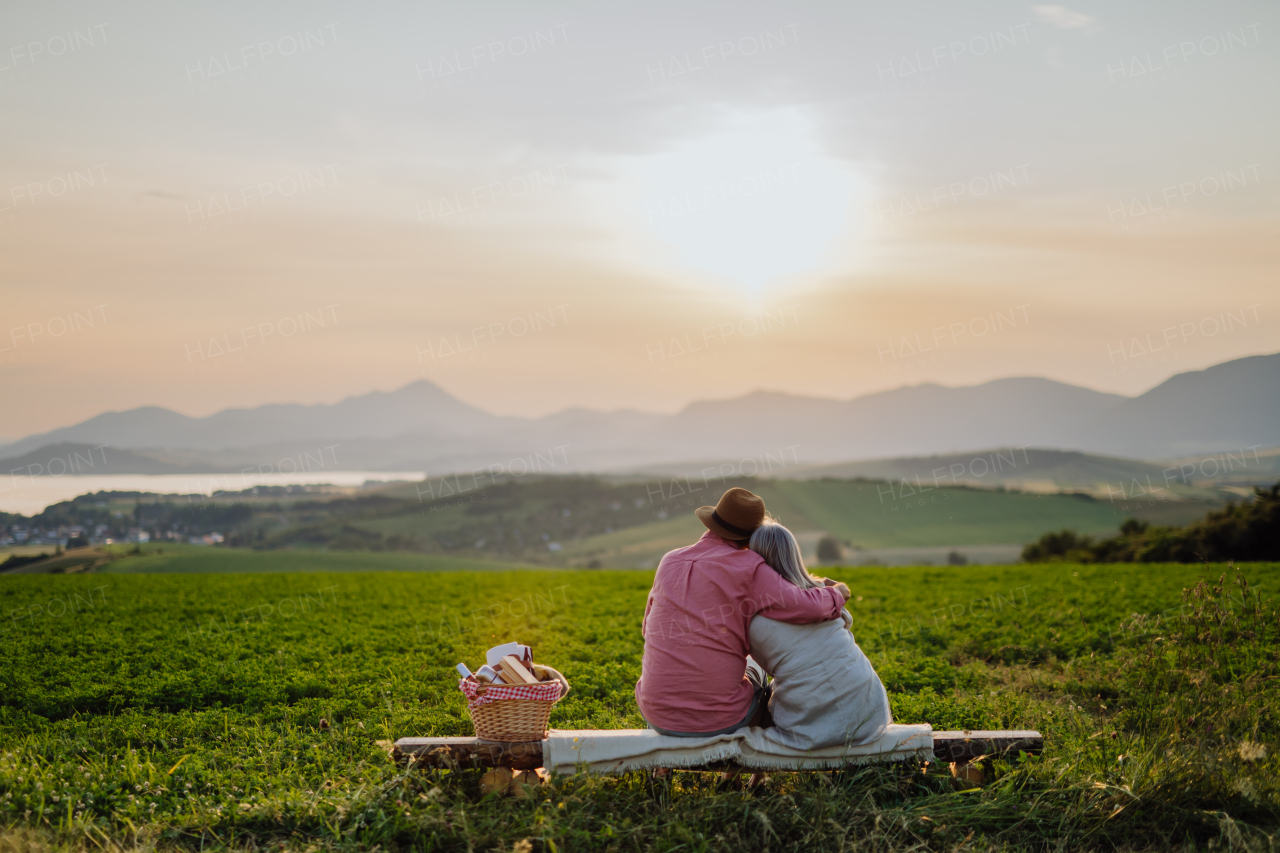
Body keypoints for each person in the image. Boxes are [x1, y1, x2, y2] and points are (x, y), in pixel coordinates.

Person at [635, 487, 851, 736]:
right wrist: (837, 592)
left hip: (655, 714)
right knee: (757, 672)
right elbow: (808, 605)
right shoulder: (750, 568)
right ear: (752, 538)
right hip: (721, 721)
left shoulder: (669, 561)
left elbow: (647, 627)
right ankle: (758, 761)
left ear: (711, 523)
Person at [746, 520, 892, 751]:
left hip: (809, 725)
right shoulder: (824, 596)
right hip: (870, 712)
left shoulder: (753, 616)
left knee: (759, 684)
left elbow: (770, 668)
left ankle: (749, 777)